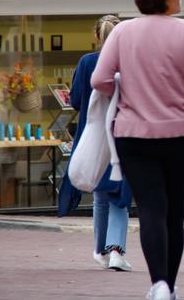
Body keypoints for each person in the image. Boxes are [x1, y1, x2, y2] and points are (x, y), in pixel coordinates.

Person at [91, 0, 184, 300]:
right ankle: (171, 285)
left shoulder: (123, 32)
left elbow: (100, 80)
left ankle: (159, 287)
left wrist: (124, 87)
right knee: (174, 214)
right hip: (183, 134)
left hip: (134, 135)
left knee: (151, 208)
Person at [57, 15, 133, 271]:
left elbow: (76, 100)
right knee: (119, 194)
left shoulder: (87, 62)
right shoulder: (129, 63)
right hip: (122, 135)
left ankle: (101, 250)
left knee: (100, 196)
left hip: (92, 136)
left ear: (96, 37)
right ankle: (116, 251)